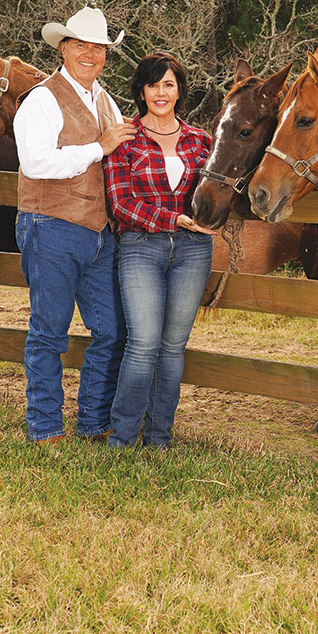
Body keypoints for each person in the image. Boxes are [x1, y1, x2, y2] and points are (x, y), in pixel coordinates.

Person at [13, 6, 136, 444]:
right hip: (50, 226)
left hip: (99, 234)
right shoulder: (42, 99)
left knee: (112, 329)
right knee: (49, 331)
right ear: (63, 48)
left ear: (106, 54)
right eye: (80, 45)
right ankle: (44, 428)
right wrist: (98, 147)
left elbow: (126, 154)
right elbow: (36, 162)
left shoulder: (106, 99)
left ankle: (92, 423)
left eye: (98, 48)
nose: (90, 54)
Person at [104, 52, 215, 449]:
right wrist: (173, 220)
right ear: (141, 91)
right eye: (154, 84)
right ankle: (122, 436)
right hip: (140, 248)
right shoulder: (125, 138)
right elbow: (120, 204)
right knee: (143, 342)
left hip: (194, 250)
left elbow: (219, 191)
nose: (161, 92)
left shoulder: (201, 140)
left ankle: (158, 437)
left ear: (180, 90)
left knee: (172, 347)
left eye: (169, 84)